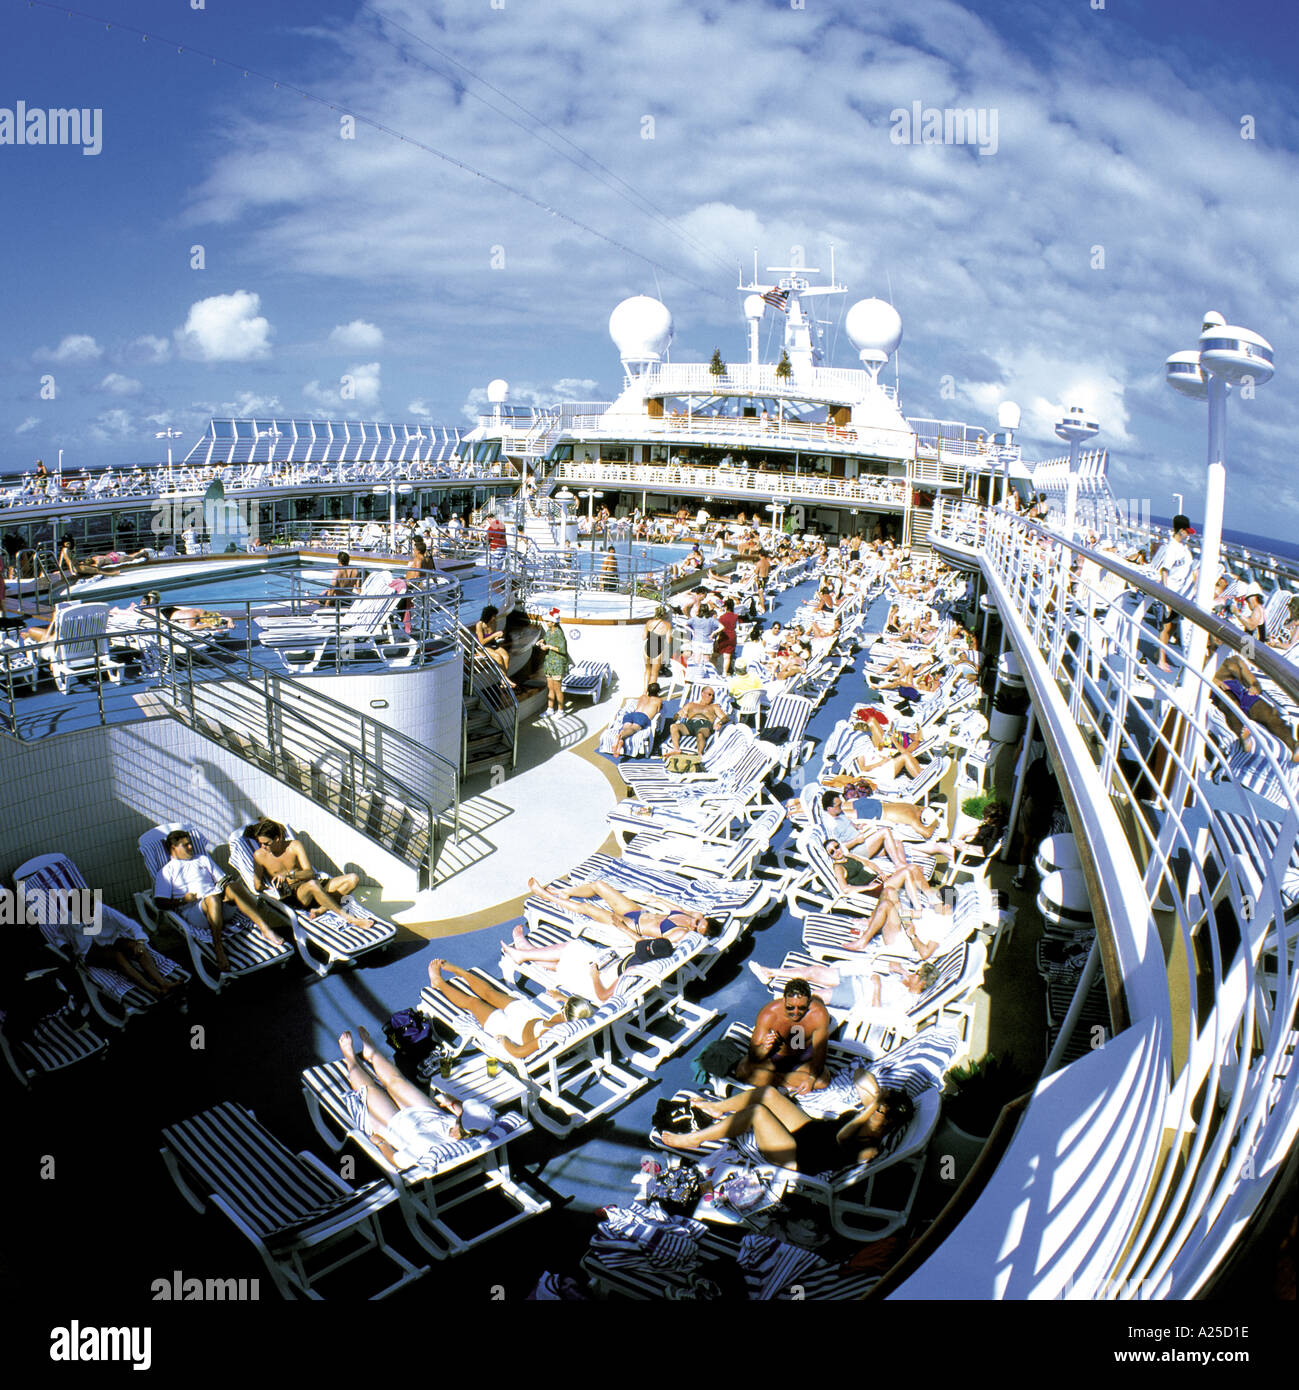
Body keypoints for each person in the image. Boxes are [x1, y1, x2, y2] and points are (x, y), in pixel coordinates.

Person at [337, 1027, 494, 1165]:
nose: (459, 1116)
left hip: (396, 1124)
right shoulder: (481, 1127)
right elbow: (464, 1115)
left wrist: (381, 1143)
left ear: (464, 1131)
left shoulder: (427, 1147)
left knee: (368, 1090)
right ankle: (372, 1053)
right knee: (396, 1080)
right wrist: (452, 1103)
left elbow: (396, 1161)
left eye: (461, 1118)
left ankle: (350, 1059)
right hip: (426, 1113)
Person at [153, 829, 285, 973]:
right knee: (212, 898)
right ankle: (218, 948)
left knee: (234, 885)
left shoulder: (202, 859)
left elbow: (221, 879)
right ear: (173, 848)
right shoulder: (166, 871)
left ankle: (265, 928)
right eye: (186, 845)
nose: (191, 847)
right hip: (196, 913)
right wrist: (182, 900)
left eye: (190, 843)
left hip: (220, 907)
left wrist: (225, 885)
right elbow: (159, 902)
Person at [424, 958, 592, 1058]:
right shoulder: (583, 1018)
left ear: (566, 1014)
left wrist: (503, 1040)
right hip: (529, 1018)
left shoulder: (551, 1034)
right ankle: (460, 972)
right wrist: (561, 997)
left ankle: (438, 983)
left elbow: (519, 1052)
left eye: (565, 1006)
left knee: (473, 1003)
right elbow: (574, 1007)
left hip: (511, 1031)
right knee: (489, 993)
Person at [249, 818, 371, 928]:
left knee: (353, 879)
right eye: (260, 843)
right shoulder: (260, 856)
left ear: (277, 839)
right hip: (294, 896)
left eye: (266, 843)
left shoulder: (294, 846)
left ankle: (321, 909)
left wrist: (289, 875)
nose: (263, 846)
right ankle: (351, 919)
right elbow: (257, 885)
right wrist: (270, 888)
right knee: (313, 885)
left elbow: (310, 873)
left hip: (312, 884)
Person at [521, 876, 714, 941]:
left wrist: (624, 930)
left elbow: (653, 945)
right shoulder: (691, 915)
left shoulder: (681, 934)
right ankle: (566, 891)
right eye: (699, 923)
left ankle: (545, 895)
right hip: (638, 911)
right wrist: (656, 899)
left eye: (697, 929)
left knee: (586, 908)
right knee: (599, 885)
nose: (694, 924)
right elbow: (673, 906)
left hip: (629, 925)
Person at [734, 980, 831, 1093]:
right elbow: (753, 1055)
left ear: (809, 1002)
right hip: (773, 1060)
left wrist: (811, 1078)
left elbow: (820, 1054)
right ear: (784, 1000)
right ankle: (787, 1083)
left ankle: (773, 1080)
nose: (795, 1012)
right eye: (790, 1007)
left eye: (802, 1008)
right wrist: (764, 1048)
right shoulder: (769, 1014)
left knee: (822, 1081)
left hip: (802, 1062)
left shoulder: (818, 1014)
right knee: (743, 1072)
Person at [748, 959, 938, 1015]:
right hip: (856, 979)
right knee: (814, 971)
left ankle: (775, 1009)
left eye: (916, 974)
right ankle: (769, 971)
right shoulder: (906, 981)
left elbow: (878, 1013)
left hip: (856, 996)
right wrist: (904, 972)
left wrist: (877, 986)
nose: (913, 973)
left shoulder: (907, 1001)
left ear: (921, 983)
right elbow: (891, 967)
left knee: (813, 995)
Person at [1157, 515, 1196, 672]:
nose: (1188, 535)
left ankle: (1160, 653)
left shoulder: (1183, 548)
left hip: (1181, 593)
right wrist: (1166, 597)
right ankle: (1161, 659)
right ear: (1181, 531)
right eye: (1187, 532)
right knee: (1167, 627)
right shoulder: (1172, 548)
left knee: (1171, 627)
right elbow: (1164, 572)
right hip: (1172, 593)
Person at [668, 685, 729, 756]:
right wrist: (679, 716)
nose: (711, 697)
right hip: (689, 725)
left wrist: (720, 723)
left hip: (704, 725)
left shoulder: (714, 706)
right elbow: (675, 716)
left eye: (712, 695)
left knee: (700, 734)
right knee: (673, 726)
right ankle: (676, 749)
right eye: (709, 695)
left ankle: (699, 754)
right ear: (702, 693)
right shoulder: (691, 704)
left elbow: (725, 718)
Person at [609, 683, 663, 757]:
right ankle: (620, 736)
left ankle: (621, 741)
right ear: (658, 692)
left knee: (626, 728)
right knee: (633, 729)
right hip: (643, 717)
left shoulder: (642, 697)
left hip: (632, 714)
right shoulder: (659, 700)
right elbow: (658, 710)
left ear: (648, 691)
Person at [537, 610, 570, 717]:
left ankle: (561, 711)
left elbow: (563, 649)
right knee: (550, 688)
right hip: (550, 663)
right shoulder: (549, 631)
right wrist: (542, 641)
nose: (546, 623)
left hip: (557, 664)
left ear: (553, 622)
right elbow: (546, 639)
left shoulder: (559, 633)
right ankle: (550, 709)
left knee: (557, 689)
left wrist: (549, 647)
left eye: (548, 621)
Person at [474, 605, 516, 687]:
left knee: (506, 656)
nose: (495, 618)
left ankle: (503, 681)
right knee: (498, 657)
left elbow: (493, 637)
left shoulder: (494, 623)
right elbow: (481, 642)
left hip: (492, 644)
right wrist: (494, 635)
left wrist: (497, 636)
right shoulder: (479, 625)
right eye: (494, 616)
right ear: (488, 616)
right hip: (481, 647)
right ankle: (505, 679)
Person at [644, 609, 674, 690]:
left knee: (647, 671)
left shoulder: (649, 622)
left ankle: (644, 691)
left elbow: (643, 637)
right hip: (659, 648)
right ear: (664, 615)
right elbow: (668, 641)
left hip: (648, 647)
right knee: (654, 673)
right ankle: (651, 692)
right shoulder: (667, 624)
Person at [714, 597, 740, 675]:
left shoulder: (722, 617)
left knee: (717, 655)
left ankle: (716, 671)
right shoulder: (735, 616)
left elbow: (719, 628)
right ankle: (725, 673)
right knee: (727, 657)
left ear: (726, 607)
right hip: (732, 636)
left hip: (724, 636)